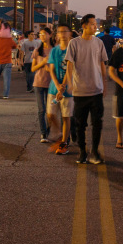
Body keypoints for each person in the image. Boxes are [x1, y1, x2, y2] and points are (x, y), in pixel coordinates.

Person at [65, 14, 109, 165]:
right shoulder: (74, 43)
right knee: (80, 124)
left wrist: (105, 83)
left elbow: (103, 64)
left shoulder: (99, 43)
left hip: (96, 90)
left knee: (97, 123)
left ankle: (95, 151)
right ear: (83, 25)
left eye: (95, 24)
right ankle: (82, 152)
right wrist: (69, 83)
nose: (95, 26)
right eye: (92, 24)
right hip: (80, 91)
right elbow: (69, 65)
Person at [47, 23, 74, 155]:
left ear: (70, 33)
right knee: (50, 114)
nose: (62, 34)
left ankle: (64, 142)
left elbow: (70, 69)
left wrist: (62, 89)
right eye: (60, 32)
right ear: (57, 35)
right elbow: (51, 69)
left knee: (66, 117)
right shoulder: (55, 50)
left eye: (65, 31)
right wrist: (57, 86)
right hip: (53, 88)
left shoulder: (73, 49)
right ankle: (59, 134)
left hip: (68, 90)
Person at [31, 27, 53, 142]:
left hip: (52, 84)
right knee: (41, 110)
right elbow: (33, 68)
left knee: (50, 110)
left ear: (50, 35)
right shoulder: (37, 51)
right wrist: (43, 62)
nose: (42, 36)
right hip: (38, 83)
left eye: (44, 34)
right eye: (40, 34)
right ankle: (43, 134)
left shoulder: (55, 50)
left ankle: (48, 132)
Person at [0, 21, 14, 99]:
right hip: (7, 61)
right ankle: (6, 94)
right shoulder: (9, 39)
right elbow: (14, 46)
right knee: (7, 79)